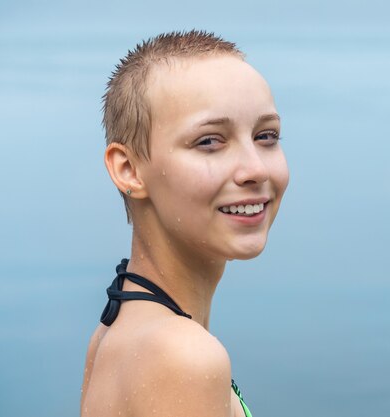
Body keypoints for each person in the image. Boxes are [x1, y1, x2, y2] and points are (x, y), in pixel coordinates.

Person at [80, 30, 289, 417]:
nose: (255, 169)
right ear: (129, 169)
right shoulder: (185, 357)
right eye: (209, 141)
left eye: (266, 136)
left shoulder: (116, 329)